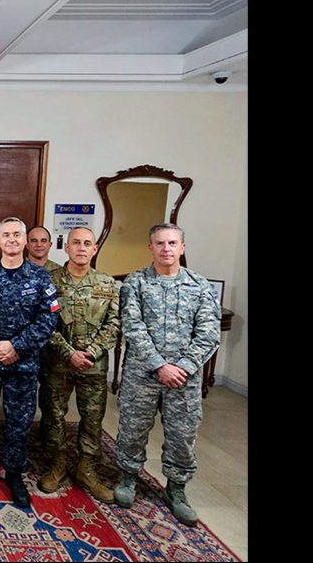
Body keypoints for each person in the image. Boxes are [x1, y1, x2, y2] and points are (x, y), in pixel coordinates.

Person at [113, 223, 220, 527]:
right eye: (159, 243)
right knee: (133, 428)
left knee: (182, 435)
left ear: (182, 248)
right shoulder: (135, 284)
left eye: (172, 243)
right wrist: (159, 365)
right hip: (142, 374)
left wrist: (183, 366)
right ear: (150, 248)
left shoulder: (199, 286)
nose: (166, 249)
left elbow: (209, 333)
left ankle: (177, 488)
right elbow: (133, 328)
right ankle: (128, 477)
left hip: (184, 380)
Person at [0, 217, 59, 509]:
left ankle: (14, 473)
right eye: (7, 235)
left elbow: (49, 318)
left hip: (24, 364)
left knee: (19, 421)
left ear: (25, 240)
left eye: (18, 235)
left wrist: (16, 346)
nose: (13, 239)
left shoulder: (41, 278)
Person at [38, 227, 120, 503]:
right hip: (58, 363)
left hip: (93, 366)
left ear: (95, 249)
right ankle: (58, 463)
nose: (82, 248)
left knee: (92, 417)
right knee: (54, 414)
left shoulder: (108, 284)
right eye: (76, 243)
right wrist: (68, 352)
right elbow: (45, 323)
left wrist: (92, 351)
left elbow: (114, 324)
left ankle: (87, 467)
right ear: (67, 248)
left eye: (87, 243)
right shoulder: (50, 282)